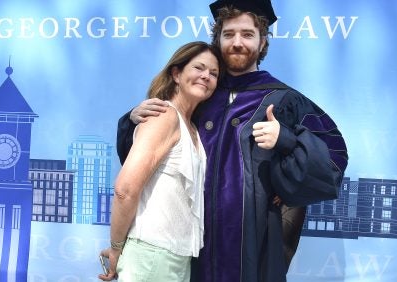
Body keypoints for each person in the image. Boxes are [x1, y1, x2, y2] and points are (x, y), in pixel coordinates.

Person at [116, 0, 349, 281]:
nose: (237, 42)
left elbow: (333, 159)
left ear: (262, 42)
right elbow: (149, 155)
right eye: (229, 34)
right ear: (218, 39)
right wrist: (133, 120)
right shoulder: (200, 92)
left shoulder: (284, 101)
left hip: (254, 243)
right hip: (189, 244)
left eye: (247, 34)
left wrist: (286, 141)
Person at [98, 41, 222, 282]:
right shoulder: (163, 116)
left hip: (177, 258)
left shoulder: (193, 129)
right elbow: (125, 190)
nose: (206, 76)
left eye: (214, 73)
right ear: (176, 74)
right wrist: (115, 248)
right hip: (150, 255)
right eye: (199, 68)